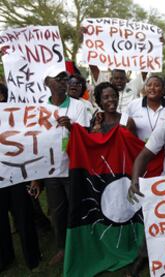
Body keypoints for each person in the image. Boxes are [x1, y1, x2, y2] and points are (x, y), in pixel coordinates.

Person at [30, 66, 90, 265]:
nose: (64, 82)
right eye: (59, 78)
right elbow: (34, 143)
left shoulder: (78, 106)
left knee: (77, 207)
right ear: (47, 83)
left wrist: (72, 128)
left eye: (65, 78)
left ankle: (81, 246)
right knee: (57, 211)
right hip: (50, 169)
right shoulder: (38, 109)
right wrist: (36, 177)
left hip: (73, 167)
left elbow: (86, 137)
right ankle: (63, 248)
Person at [0, 84, 41, 273]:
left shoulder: (17, 117)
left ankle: (32, 257)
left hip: (17, 176)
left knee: (23, 217)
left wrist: (33, 177)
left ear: (2, 96)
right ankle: (5, 257)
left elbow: (28, 145)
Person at [126, 76, 165, 142]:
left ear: (163, 89)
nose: (152, 88)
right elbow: (122, 121)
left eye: (156, 85)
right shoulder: (133, 104)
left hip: (164, 149)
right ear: (145, 88)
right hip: (139, 149)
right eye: (149, 85)